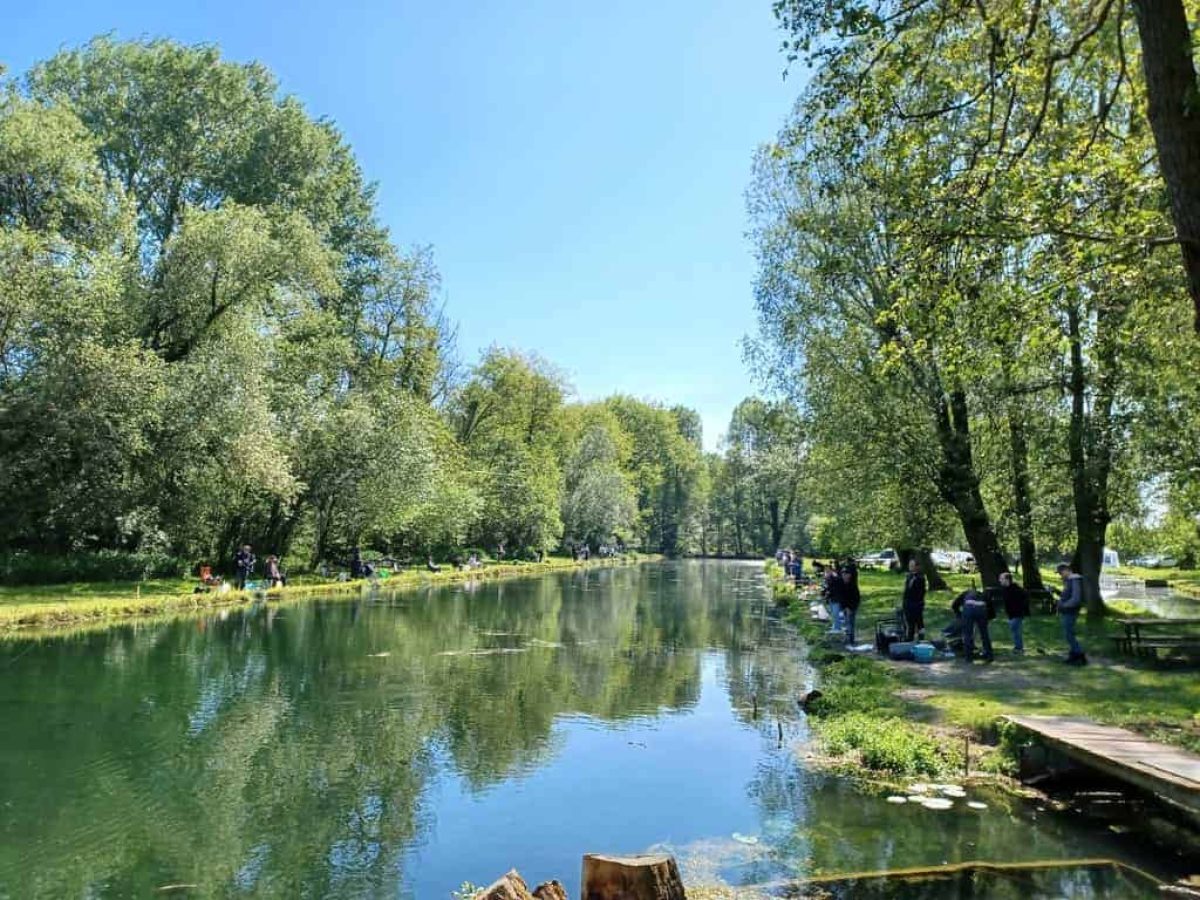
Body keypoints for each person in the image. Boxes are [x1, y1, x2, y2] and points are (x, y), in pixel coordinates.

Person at [952, 582, 994, 662]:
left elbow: (954, 605)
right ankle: (989, 655)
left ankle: (968, 656)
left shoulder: (965, 593)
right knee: (984, 634)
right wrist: (988, 618)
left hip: (968, 609)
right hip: (981, 609)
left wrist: (959, 614)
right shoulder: (983, 595)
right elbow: (990, 608)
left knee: (968, 634)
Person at [1056, 562, 1087, 665]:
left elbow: (1076, 598)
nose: (1060, 575)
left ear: (1066, 570)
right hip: (1067, 611)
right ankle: (1074, 654)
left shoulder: (1074, 580)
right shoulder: (1069, 581)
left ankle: (1079, 655)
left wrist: (1064, 606)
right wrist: (1056, 591)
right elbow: (1067, 595)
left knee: (1069, 634)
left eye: (1061, 572)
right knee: (1068, 634)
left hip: (1071, 612)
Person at [998, 571, 1031, 654]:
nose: (1000, 580)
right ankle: (1018, 647)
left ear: (1007, 579)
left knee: (1016, 631)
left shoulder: (1016, 588)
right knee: (1014, 631)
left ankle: (1019, 648)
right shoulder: (1005, 589)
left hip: (1017, 613)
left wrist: (1022, 608)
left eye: (1001, 578)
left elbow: (1026, 597)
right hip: (1011, 614)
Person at [902, 558, 928, 641]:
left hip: (916, 604)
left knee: (918, 622)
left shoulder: (920, 577)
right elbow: (907, 590)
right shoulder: (909, 576)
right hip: (908, 603)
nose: (910, 567)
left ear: (917, 566)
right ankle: (910, 638)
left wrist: (918, 603)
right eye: (910, 565)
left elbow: (921, 592)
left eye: (912, 565)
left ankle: (920, 638)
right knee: (910, 623)